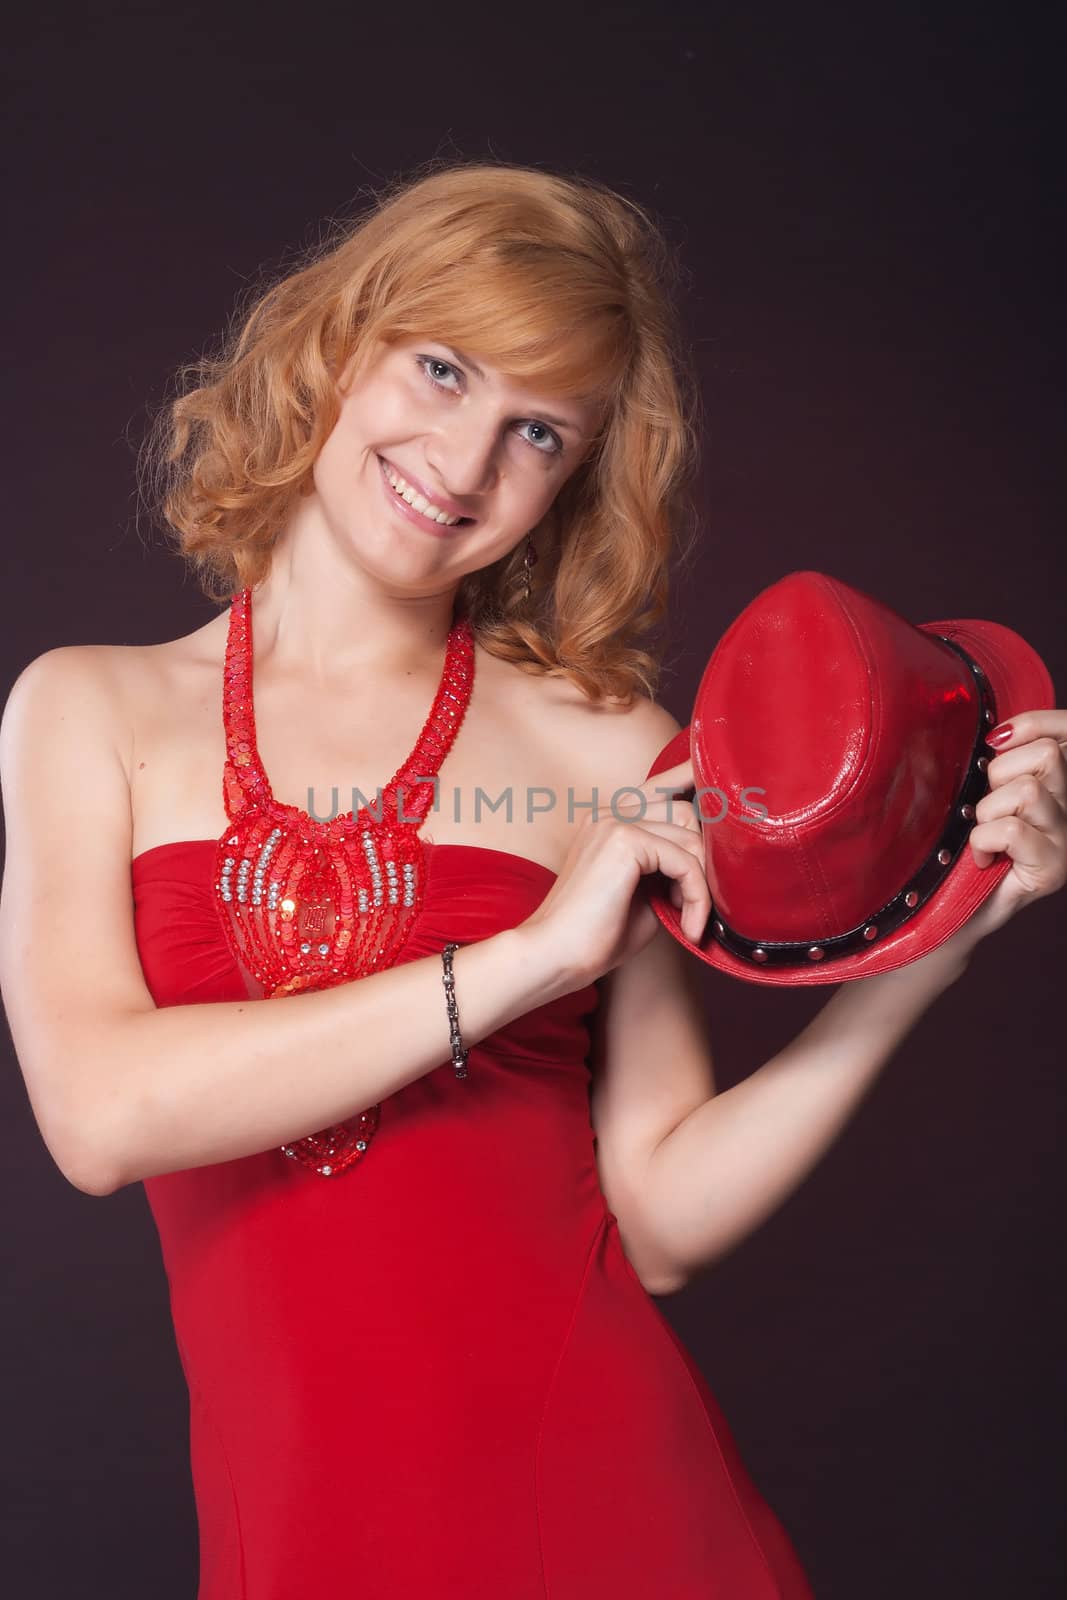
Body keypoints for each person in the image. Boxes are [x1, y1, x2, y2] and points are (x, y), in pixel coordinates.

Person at [1, 159, 1063, 1599]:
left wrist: (941, 939)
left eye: (537, 432)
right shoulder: (88, 711)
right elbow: (100, 1116)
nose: (463, 458)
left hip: (614, 1507)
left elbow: (665, 1220)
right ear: (339, 341)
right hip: (304, 1531)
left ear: (569, 484)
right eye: (441, 369)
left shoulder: (609, 747)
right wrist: (530, 961)